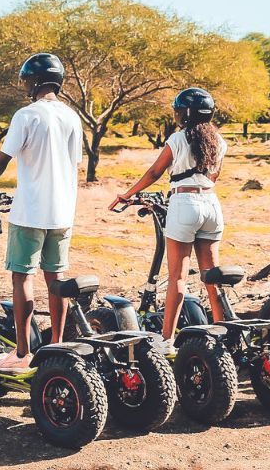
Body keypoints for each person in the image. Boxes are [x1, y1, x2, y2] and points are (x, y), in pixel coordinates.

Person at [0, 52, 83, 371]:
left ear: (35, 81)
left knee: (22, 278)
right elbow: (74, 164)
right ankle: (55, 348)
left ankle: (23, 353)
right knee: (56, 280)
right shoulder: (72, 117)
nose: (25, 86)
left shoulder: (26, 115)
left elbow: (1, 161)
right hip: (62, 213)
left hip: (30, 212)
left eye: (27, 80)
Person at [109, 88, 228, 351]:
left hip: (184, 203)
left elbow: (154, 172)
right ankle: (223, 335)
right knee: (212, 276)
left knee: (177, 277)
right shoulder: (219, 141)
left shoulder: (178, 138)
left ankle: (166, 340)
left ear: (186, 113)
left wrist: (128, 194)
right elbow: (214, 176)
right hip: (211, 204)